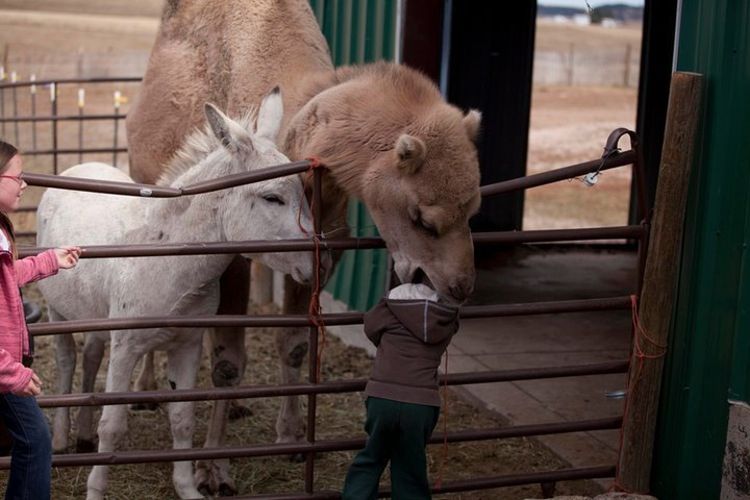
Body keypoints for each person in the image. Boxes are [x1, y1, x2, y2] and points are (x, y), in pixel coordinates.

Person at [0, 140, 81, 500]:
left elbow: (5, 276)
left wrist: (50, 261)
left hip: (6, 366)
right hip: (5, 368)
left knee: (34, 440)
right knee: (35, 441)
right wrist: (13, 373)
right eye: (18, 176)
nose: (24, 184)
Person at [342, 282, 460, 500]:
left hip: (382, 397)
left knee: (371, 458)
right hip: (421, 403)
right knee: (410, 465)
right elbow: (453, 325)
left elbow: (370, 325)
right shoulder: (444, 317)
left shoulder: (389, 306)